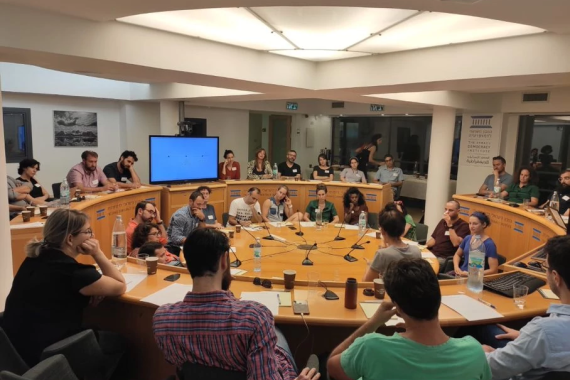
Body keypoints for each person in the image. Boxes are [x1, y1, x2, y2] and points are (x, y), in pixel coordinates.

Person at [153, 229, 320, 380]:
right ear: (224, 262)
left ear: (187, 264)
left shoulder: (162, 320)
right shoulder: (255, 317)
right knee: (277, 337)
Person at [328, 258, 491, 380]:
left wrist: (373, 322)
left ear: (397, 307)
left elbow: (332, 366)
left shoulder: (370, 348)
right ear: (438, 298)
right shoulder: (475, 352)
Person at [2, 209, 126, 367]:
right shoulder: (76, 273)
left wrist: (86, 294)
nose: (92, 236)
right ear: (69, 239)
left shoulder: (35, 258)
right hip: (47, 354)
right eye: (88, 231)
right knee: (118, 342)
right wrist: (98, 253)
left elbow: (53, 293)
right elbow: (120, 285)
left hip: (15, 351)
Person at [482, 235, 570, 379]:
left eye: (545, 267)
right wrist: (525, 336)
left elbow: (490, 368)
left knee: (477, 333)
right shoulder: (541, 333)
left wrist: (481, 353)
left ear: (556, 277)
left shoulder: (542, 331)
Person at [363, 206, 421, 280]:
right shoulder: (416, 251)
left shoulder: (382, 254)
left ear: (382, 230)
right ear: (403, 229)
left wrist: (369, 265)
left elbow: (366, 281)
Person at [452, 212, 498, 277]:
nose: (471, 226)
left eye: (475, 224)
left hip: (476, 278)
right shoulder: (467, 238)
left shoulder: (489, 244)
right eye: (470, 223)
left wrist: (470, 274)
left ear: (484, 224)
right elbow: (457, 255)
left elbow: (493, 270)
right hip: (461, 273)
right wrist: (456, 268)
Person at [427, 200, 471, 267]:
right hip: (433, 253)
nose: (446, 212)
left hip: (445, 258)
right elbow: (434, 238)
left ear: (458, 211)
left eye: (450, 210)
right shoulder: (442, 221)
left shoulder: (464, 226)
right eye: (445, 209)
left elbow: (456, 243)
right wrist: (423, 247)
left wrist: (450, 225)